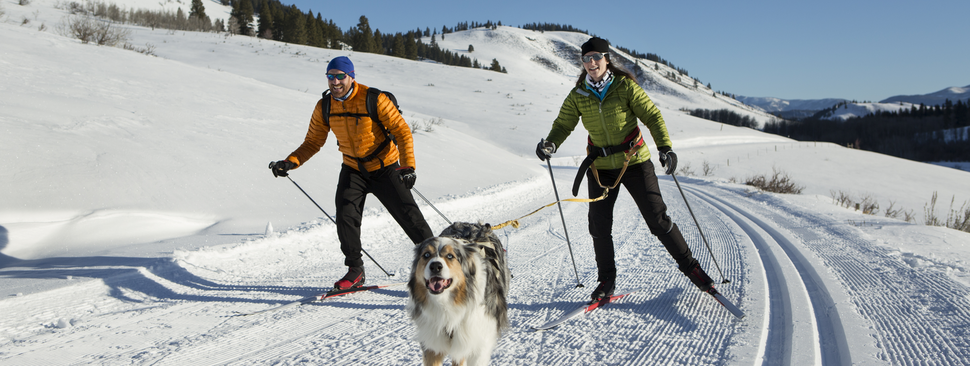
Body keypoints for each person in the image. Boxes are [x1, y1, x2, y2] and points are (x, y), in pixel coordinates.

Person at [535, 37, 714, 301]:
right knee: (599, 226)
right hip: (601, 167)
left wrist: (665, 147)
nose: (592, 63)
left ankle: (692, 269)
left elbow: (652, 116)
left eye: (596, 57)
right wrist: (551, 143)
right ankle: (606, 280)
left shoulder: (624, 87)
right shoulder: (578, 95)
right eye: (586, 59)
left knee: (657, 219)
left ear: (607, 59)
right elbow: (563, 124)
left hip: (635, 162)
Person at [269, 56, 434, 290]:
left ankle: (436, 264)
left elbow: (402, 131)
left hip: (385, 167)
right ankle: (355, 270)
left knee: (410, 218)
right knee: (345, 216)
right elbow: (313, 141)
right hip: (353, 168)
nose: (335, 81)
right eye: (330, 76)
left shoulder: (373, 99)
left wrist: (407, 166)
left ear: (351, 77)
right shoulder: (325, 106)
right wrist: (290, 162)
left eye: (340, 76)